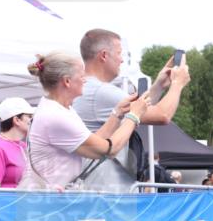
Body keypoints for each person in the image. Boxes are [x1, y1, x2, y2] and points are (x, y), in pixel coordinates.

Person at [74, 29, 191, 188]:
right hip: (107, 193)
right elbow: (162, 115)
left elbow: (140, 108)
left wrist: (159, 85)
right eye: (119, 53)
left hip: (99, 189)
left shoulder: (88, 87)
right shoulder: (101, 92)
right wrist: (178, 84)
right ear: (104, 55)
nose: (122, 60)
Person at [18, 52, 147, 190]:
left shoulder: (60, 109)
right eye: (81, 76)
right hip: (47, 203)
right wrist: (134, 116)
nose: (85, 80)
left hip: (49, 199)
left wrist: (117, 113)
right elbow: (109, 149)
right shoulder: (55, 116)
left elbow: (92, 143)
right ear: (67, 81)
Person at [0, 98, 35, 188]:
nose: (33, 120)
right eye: (29, 116)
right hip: (7, 202)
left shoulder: (24, 146)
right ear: (17, 120)